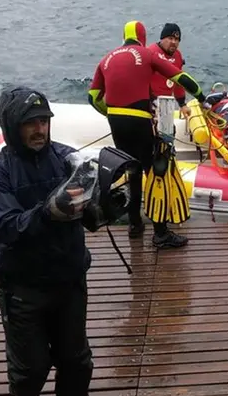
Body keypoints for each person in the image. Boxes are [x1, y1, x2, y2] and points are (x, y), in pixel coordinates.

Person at [0, 86, 94, 396]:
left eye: (44, 121)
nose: (39, 129)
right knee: (30, 367)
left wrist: (103, 201)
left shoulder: (68, 159)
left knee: (76, 361)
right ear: (12, 126)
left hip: (69, 277)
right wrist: (49, 212)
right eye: (30, 123)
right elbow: (8, 227)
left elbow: (91, 215)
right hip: (22, 284)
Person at [88, 20, 207, 248]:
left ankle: (135, 225)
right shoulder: (147, 54)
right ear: (143, 37)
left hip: (116, 121)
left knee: (132, 171)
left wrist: (112, 113)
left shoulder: (107, 58)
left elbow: (93, 97)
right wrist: (201, 97)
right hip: (141, 120)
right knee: (156, 171)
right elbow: (180, 78)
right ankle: (161, 233)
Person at [148, 22, 191, 118]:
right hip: (148, 101)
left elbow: (178, 82)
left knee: (169, 131)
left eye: (176, 39)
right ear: (162, 38)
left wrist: (182, 104)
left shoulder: (178, 56)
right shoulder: (151, 52)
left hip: (166, 102)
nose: (173, 42)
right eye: (170, 38)